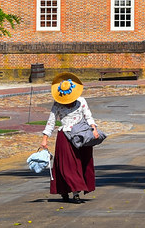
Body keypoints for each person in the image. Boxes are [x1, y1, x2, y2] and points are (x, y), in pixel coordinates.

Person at [40, 73, 99, 203]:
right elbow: (51, 121)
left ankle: (76, 192)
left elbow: (88, 116)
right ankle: (64, 190)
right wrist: (45, 138)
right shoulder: (57, 104)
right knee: (66, 166)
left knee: (81, 163)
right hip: (65, 136)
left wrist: (94, 129)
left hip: (81, 135)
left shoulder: (81, 101)